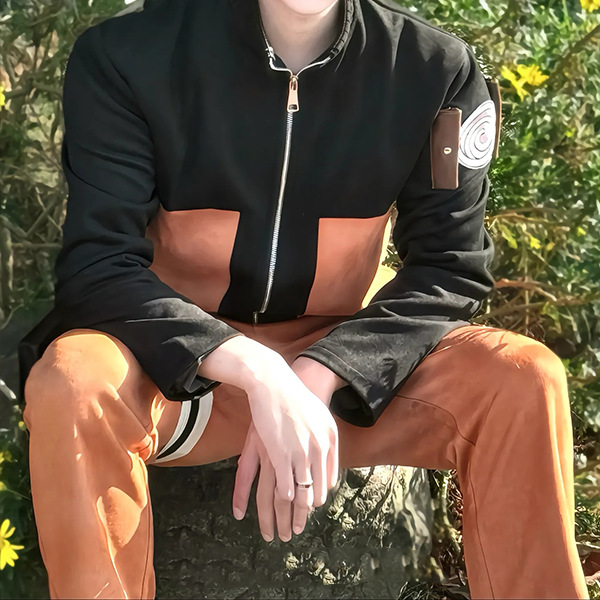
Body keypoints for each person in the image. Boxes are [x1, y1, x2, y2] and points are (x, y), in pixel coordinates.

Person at [19, 0, 590, 598]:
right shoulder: (128, 55)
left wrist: (321, 372)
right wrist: (257, 370)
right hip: (178, 371)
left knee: (524, 379)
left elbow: (450, 269)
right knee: (72, 382)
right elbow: (99, 266)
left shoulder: (435, 70)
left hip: (348, 381)